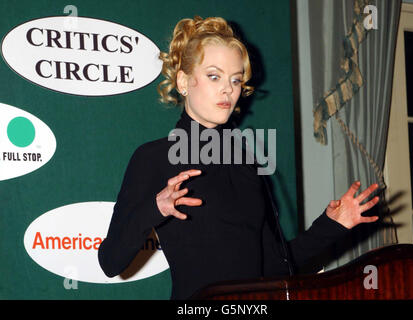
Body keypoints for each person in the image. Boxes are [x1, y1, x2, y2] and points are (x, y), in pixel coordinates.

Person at [98, 16, 380, 300]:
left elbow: (275, 269)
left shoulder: (246, 164)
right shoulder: (154, 158)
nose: (227, 89)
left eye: (235, 80)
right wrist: (155, 208)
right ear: (184, 81)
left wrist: (331, 225)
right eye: (214, 76)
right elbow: (110, 262)